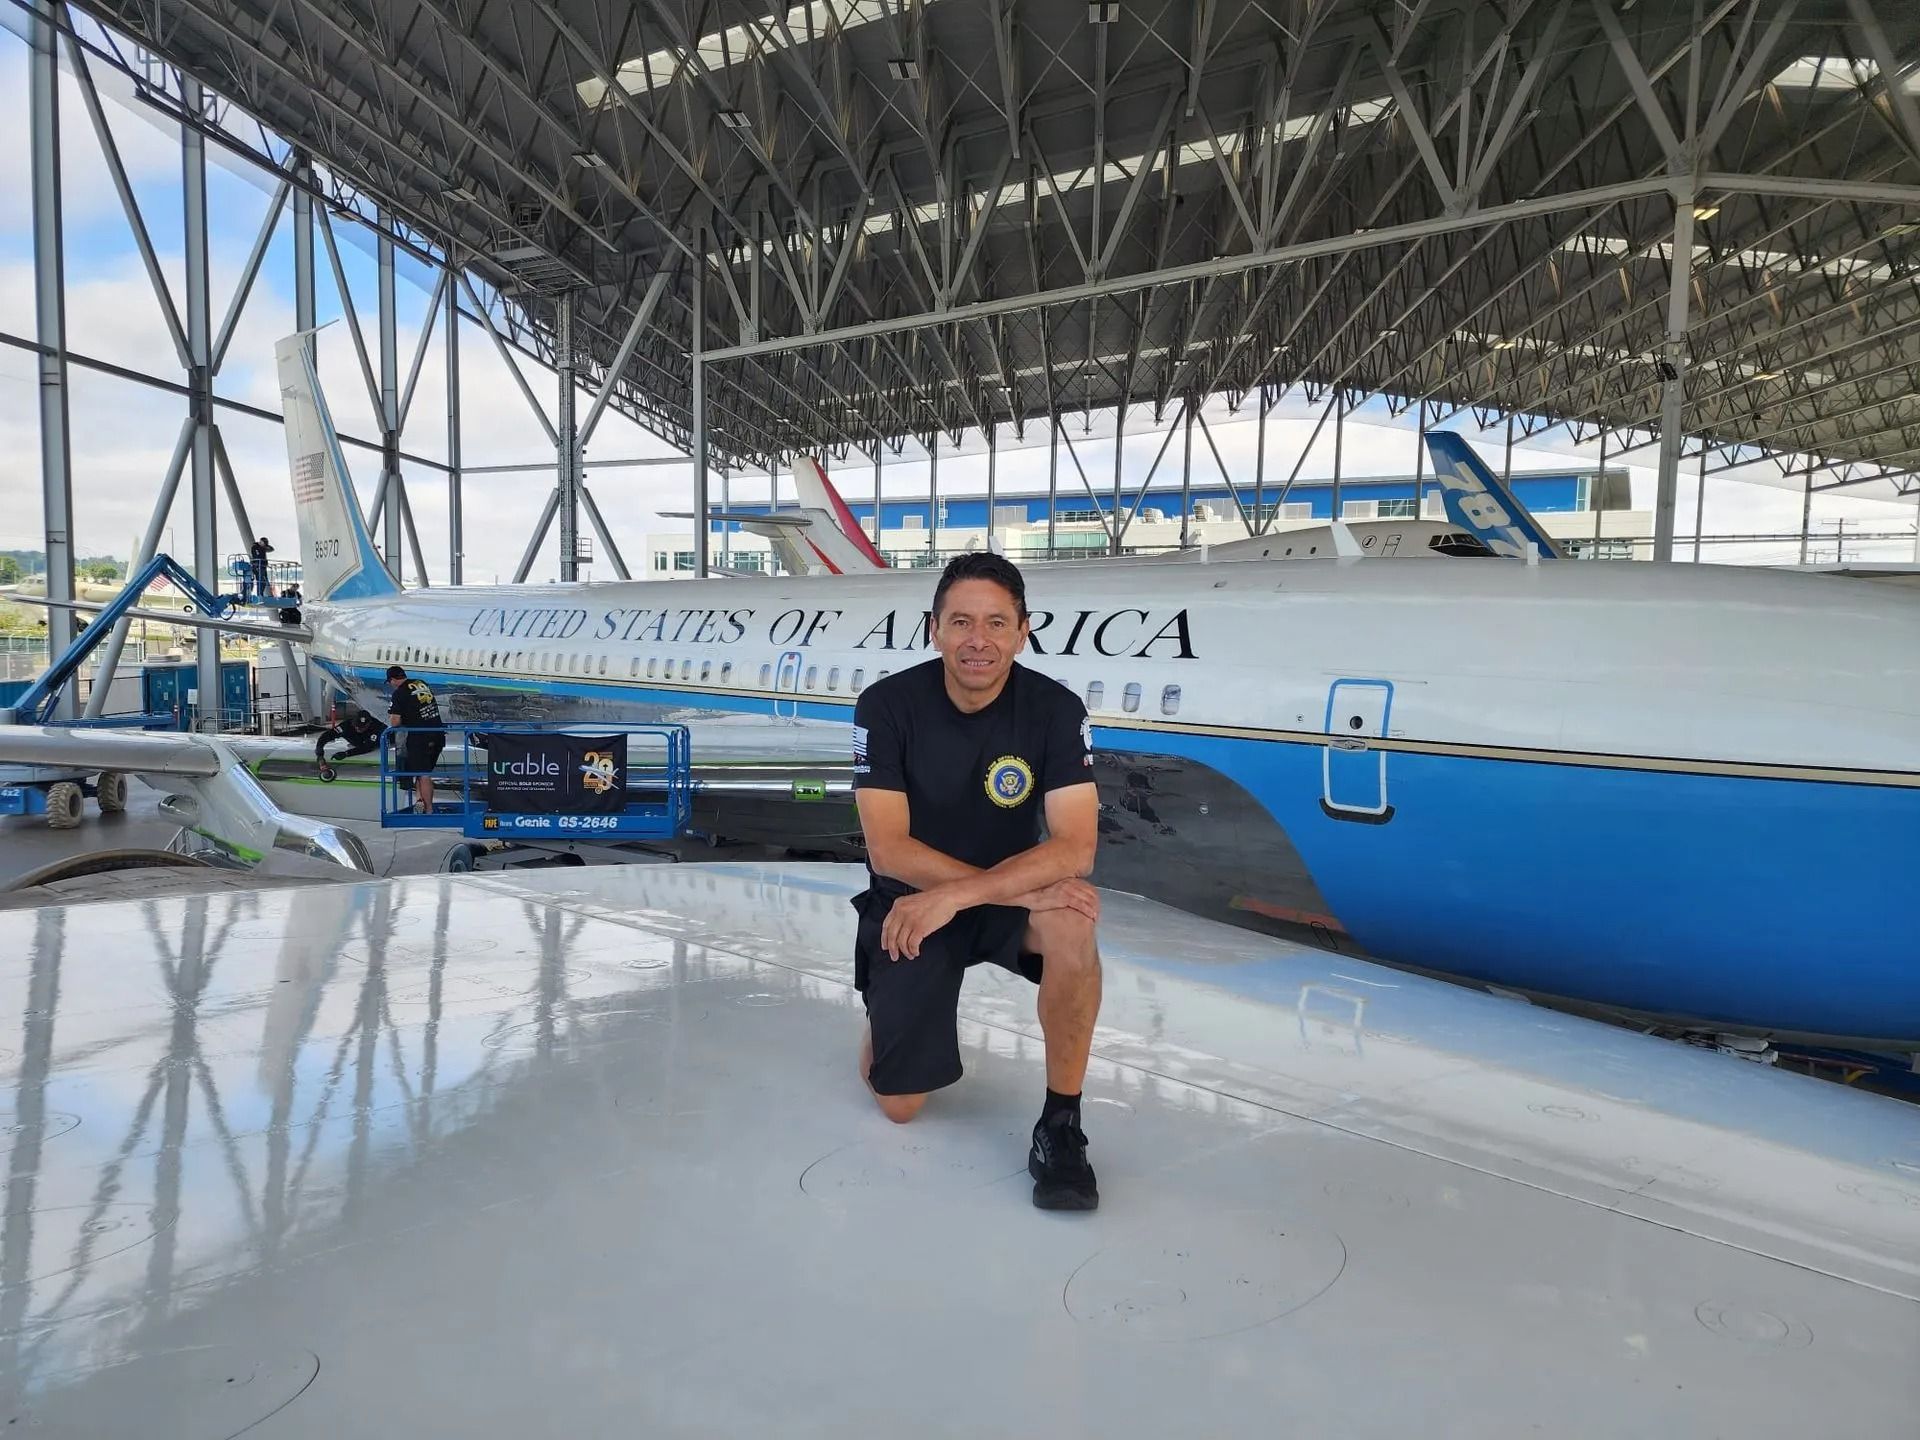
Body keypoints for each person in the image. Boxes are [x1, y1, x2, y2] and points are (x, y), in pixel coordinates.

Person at [851, 552, 1103, 1211]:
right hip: (911, 903)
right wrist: (1001, 890)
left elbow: (1077, 844)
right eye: (961, 621)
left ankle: (1062, 1126)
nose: (978, 640)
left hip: (991, 902)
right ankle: (884, 1009)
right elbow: (888, 847)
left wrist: (970, 895)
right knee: (900, 1107)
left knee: (1073, 922)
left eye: (997, 623)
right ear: (934, 628)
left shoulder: (1053, 709)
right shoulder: (886, 706)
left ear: (1023, 631)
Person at [385, 665, 444, 814]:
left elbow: (395, 722)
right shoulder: (420, 683)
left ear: (392, 680)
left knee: (423, 774)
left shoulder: (399, 693)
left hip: (420, 738)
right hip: (437, 735)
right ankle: (420, 802)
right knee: (421, 771)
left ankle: (429, 811)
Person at [313, 708, 384, 780]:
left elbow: (367, 747)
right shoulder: (346, 726)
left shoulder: (377, 727)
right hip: (356, 741)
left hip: (378, 742)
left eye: (362, 727)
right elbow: (326, 736)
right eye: (357, 726)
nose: (358, 729)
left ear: (369, 723)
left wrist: (347, 753)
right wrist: (320, 753)